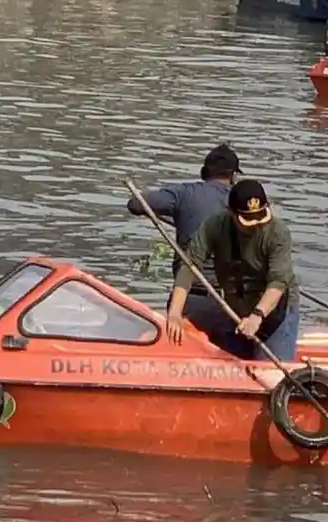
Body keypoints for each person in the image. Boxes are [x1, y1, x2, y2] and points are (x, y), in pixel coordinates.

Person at [165, 179, 301, 361]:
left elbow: (278, 282)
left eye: (259, 217)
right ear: (232, 213)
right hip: (237, 306)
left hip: (275, 309)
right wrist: (175, 312)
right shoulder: (215, 226)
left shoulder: (277, 232)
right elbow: (190, 266)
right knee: (230, 358)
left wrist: (257, 316)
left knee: (269, 370)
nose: (255, 225)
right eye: (248, 220)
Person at [127, 143, 242, 310]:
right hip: (232, 302)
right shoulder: (245, 203)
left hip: (187, 297)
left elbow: (136, 204)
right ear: (233, 176)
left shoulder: (184, 193)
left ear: (203, 172)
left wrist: (180, 215)